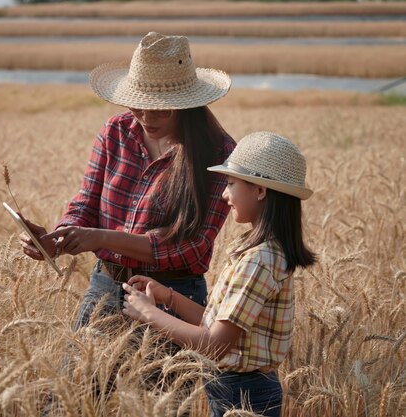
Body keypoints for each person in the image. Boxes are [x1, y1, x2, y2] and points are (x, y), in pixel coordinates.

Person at [19, 32, 235, 331]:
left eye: (160, 108)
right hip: (105, 285)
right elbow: (86, 203)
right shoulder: (116, 131)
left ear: (186, 103)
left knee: (160, 380)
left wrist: (103, 238)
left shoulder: (219, 154)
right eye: (137, 105)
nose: (146, 117)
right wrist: (58, 240)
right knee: (83, 378)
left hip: (173, 297)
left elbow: (192, 248)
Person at [122, 131, 317, 417]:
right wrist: (168, 297)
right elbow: (215, 324)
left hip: (246, 395)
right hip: (232, 386)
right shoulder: (254, 250)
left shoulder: (260, 259)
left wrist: (149, 314)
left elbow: (214, 345)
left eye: (230, 183)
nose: (225, 194)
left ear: (260, 190)